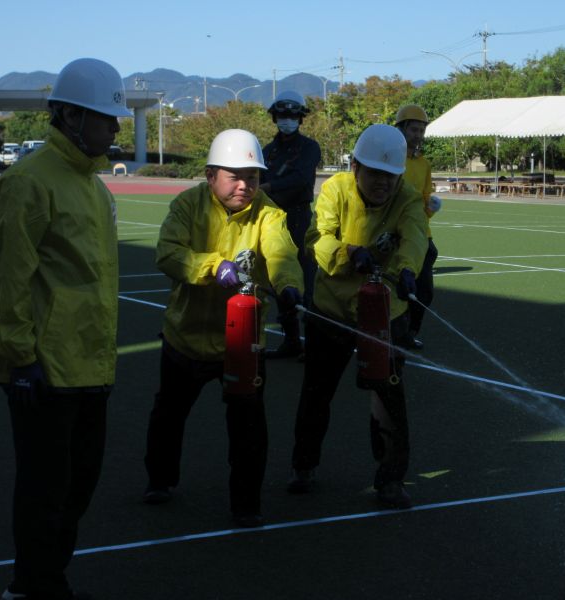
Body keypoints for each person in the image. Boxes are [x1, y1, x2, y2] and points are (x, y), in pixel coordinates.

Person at [0, 58, 131, 600]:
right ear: (70, 116)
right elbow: (11, 279)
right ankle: (32, 586)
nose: (114, 127)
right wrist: (21, 359)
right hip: (44, 369)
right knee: (45, 491)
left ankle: (48, 579)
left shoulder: (95, 187)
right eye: (105, 117)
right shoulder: (27, 182)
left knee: (79, 485)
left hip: (91, 364)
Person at [143, 129, 303, 528]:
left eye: (252, 176)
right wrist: (213, 266)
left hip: (243, 342)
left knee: (249, 426)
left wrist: (288, 286)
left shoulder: (269, 213)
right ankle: (160, 479)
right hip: (185, 336)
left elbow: (281, 253)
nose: (245, 185)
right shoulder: (187, 205)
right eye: (235, 176)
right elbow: (168, 253)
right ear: (210, 175)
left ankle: (246, 504)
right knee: (169, 415)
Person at [287, 124, 428, 509]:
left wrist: (407, 270)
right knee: (317, 391)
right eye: (375, 173)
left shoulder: (407, 197)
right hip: (332, 308)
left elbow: (415, 236)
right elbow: (316, 238)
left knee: (389, 397)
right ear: (355, 168)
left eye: (391, 175)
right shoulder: (335, 190)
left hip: (385, 311)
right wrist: (348, 252)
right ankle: (303, 465)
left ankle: (391, 479)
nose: (384, 182)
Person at [260, 90, 321, 359]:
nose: (287, 120)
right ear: (275, 118)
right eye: (282, 115)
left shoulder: (309, 147)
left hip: (298, 218)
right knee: (279, 279)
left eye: (293, 116)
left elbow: (301, 179)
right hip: (273, 219)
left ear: (300, 118)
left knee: (307, 281)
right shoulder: (267, 151)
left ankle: (314, 344)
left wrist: (269, 186)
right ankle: (292, 341)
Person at [395, 104, 441, 351]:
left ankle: (410, 332)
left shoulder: (424, 164)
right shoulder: (391, 158)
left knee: (424, 292)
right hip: (393, 232)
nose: (418, 135)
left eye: (422, 131)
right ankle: (393, 332)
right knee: (394, 289)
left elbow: (424, 199)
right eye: (414, 129)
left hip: (420, 235)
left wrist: (430, 207)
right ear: (401, 129)